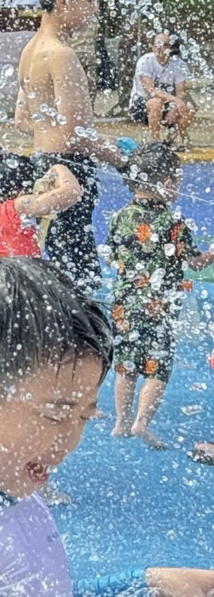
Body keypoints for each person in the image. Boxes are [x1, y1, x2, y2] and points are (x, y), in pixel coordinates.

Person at [0, 256, 214, 597]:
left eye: (83, 416)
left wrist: (146, 586)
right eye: (55, 414)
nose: (70, 442)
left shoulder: (0, 475)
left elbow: (39, 590)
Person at [14, 0, 129, 294]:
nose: (94, 9)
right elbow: (76, 136)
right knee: (80, 285)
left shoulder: (30, 49)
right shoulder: (63, 55)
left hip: (44, 169)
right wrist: (124, 160)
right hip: (70, 174)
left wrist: (99, 139)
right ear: (63, 0)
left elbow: (24, 119)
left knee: (53, 277)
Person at [108, 144, 213, 449]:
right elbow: (194, 263)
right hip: (159, 306)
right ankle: (141, 422)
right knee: (157, 364)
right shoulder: (173, 224)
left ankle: (121, 422)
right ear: (164, 182)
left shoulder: (118, 217)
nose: (178, 188)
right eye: (177, 181)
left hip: (124, 304)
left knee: (126, 363)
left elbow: (113, 258)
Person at [0, 149, 83, 271]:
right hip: (25, 291)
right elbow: (71, 192)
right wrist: (59, 167)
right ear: (21, 191)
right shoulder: (14, 208)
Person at [131, 32, 194, 146]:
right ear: (153, 47)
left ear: (171, 48)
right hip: (142, 104)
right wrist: (176, 100)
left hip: (167, 103)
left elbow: (180, 92)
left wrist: (175, 108)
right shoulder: (145, 61)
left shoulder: (179, 64)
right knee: (156, 102)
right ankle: (154, 141)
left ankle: (170, 138)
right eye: (157, 44)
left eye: (164, 45)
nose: (160, 47)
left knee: (189, 109)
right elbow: (151, 91)